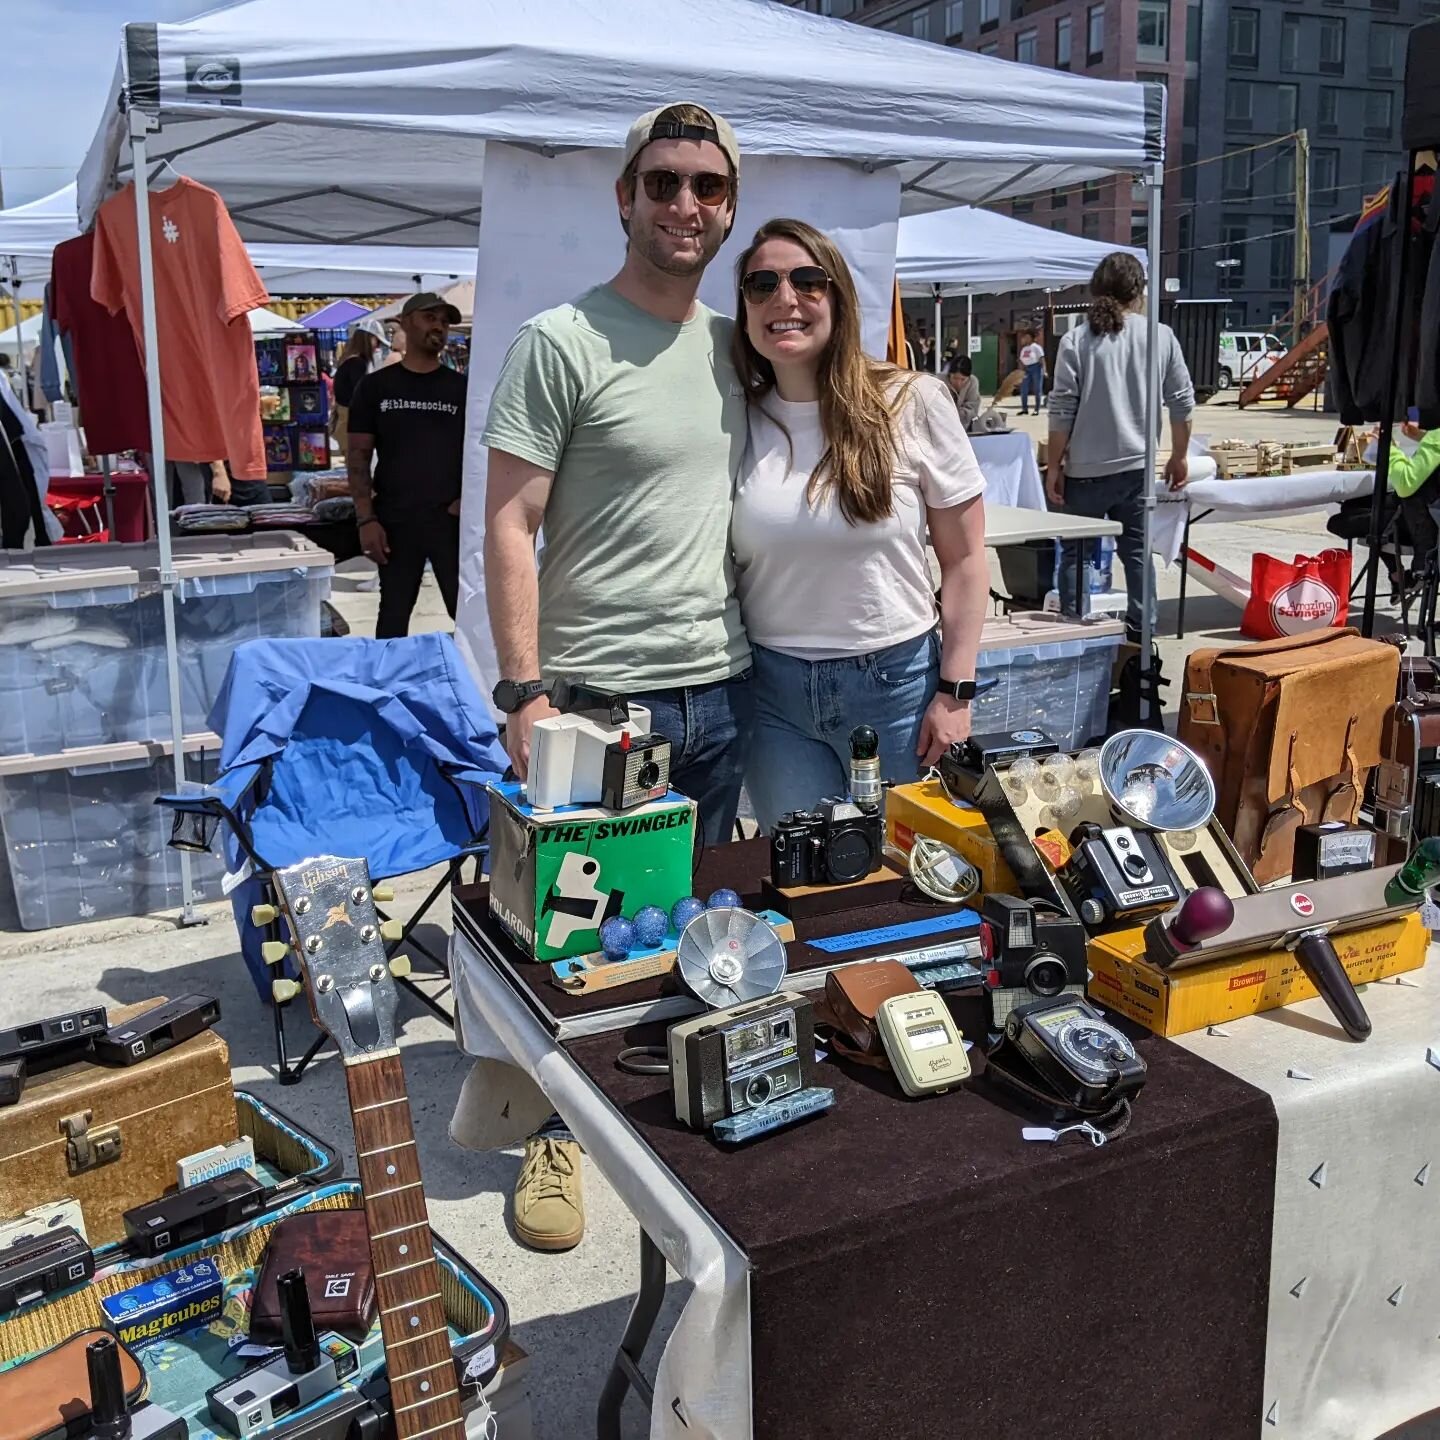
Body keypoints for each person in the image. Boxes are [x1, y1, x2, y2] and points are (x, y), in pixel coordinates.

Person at [481, 103, 753, 1252]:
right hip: (596, 703)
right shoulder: (562, 340)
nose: (684, 206)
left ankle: (675, 1116)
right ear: (624, 198)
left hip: (721, 689)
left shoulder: (739, 343)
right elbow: (507, 520)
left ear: (728, 207)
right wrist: (523, 693)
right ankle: (555, 1135)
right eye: (663, 183)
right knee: (573, 937)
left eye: (706, 186)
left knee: (693, 928)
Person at [730, 218, 989, 827]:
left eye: (807, 280)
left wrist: (956, 693)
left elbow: (966, 560)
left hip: (895, 688)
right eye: (760, 284)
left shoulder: (912, 401)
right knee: (802, 879)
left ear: (839, 296)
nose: (784, 299)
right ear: (743, 309)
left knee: (906, 879)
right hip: (773, 695)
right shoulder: (736, 418)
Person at [1045, 252, 1194, 641]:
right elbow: (1182, 402)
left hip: (1086, 471)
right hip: (1136, 467)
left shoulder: (1077, 339)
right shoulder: (1160, 336)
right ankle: (1141, 639)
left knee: (1077, 552)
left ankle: (1075, 635)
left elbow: (1063, 407)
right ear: (1139, 291)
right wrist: (1179, 456)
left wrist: (1055, 465)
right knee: (1136, 554)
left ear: (1096, 291)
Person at [346, 292, 467, 638]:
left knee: (467, 618)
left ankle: (474, 688)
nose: (439, 328)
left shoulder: (462, 389)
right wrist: (366, 518)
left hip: (452, 522)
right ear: (405, 322)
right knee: (393, 617)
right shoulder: (375, 388)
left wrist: (469, 501)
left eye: (444, 322)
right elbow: (358, 458)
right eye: (430, 318)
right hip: (395, 521)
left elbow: (482, 454)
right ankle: (386, 687)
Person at [331, 320, 389, 450]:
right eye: (376, 341)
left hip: (344, 417)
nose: (377, 347)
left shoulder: (349, 359)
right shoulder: (357, 363)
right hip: (350, 420)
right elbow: (361, 394)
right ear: (367, 339)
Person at [946, 354, 982, 430]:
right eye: (955, 378)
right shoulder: (939, 381)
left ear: (968, 377)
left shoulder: (972, 382)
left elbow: (972, 407)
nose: (958, 383)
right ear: (949, 375)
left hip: (964, 427)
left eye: (963, 379)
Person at [1018, 330, 1046, 415]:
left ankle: (1036, 409)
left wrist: (1044, 370)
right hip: (1026, 369)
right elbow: (1021, 360)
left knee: (1037, 389)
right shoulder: (1024, 349)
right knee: (1024, 390)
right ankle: (1024, 409)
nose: (1025, 339)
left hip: (1036, 367)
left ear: (1031, 338)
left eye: (1027, 337)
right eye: (1025, 337)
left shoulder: (1036, 347)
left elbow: (1042, 359)